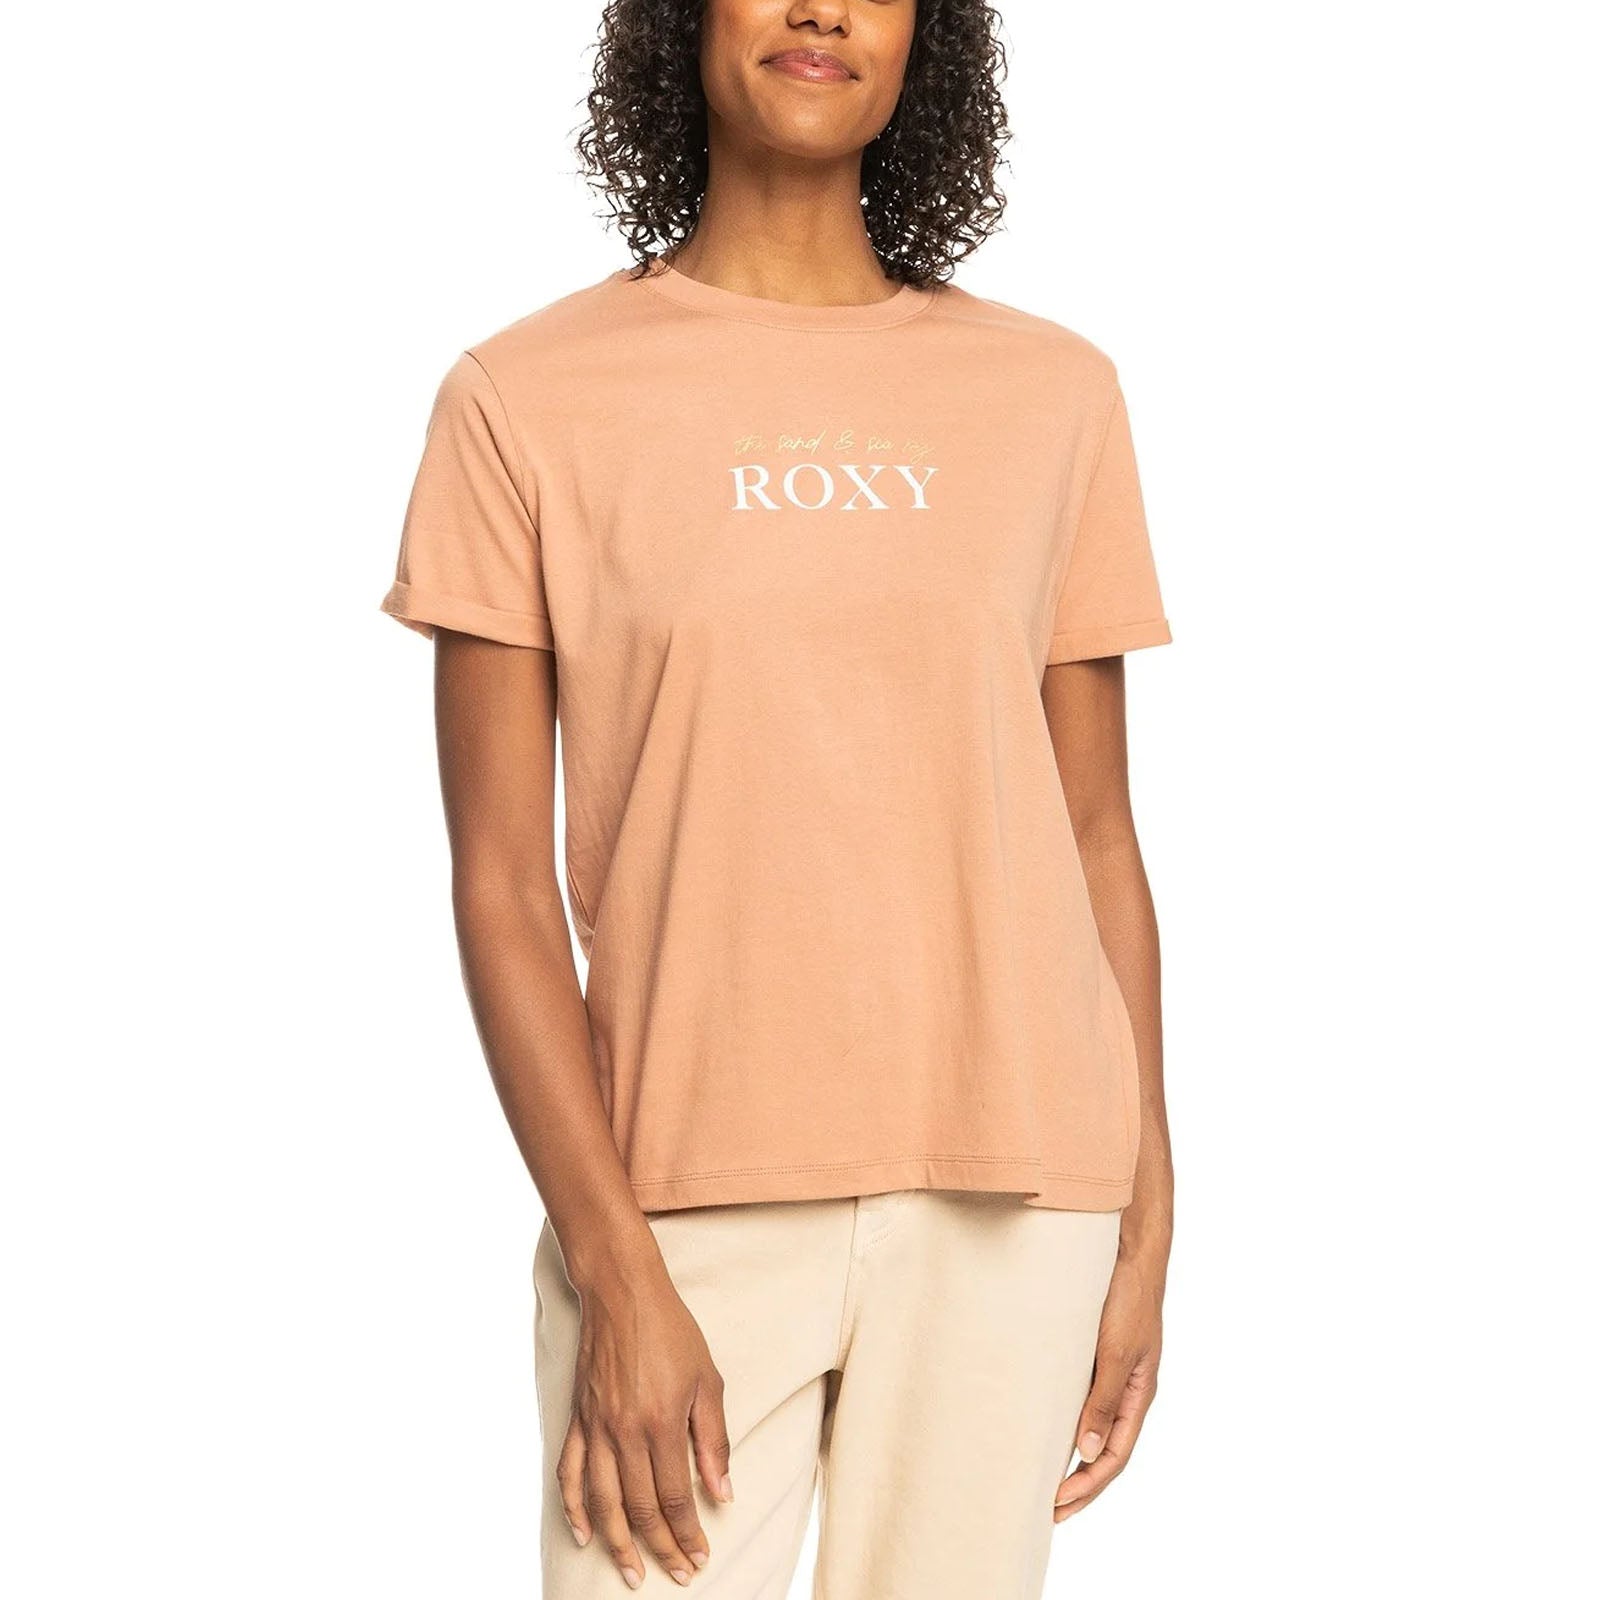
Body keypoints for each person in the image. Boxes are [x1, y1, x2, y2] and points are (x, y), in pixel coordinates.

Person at [379, 2, 1173, 1594]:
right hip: (676, 1204)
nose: (821, 8)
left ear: (925, 40)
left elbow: (1097, 830)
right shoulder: (523, 397)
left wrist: (1147, 1202)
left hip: (1017, 1190)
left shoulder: (1053, 395)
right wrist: (614, 1271)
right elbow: (500, 882)